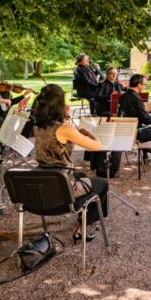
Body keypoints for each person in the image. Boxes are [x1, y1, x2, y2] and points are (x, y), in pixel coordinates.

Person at [32, 84, 109, 243]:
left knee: (81, 174)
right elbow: (97, 146)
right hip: (61, 188)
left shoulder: (37, 126)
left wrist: (62, 119)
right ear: (59, 105)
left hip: (43, 182)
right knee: (102, 184)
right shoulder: (64, 129)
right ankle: (84, 227)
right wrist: (86, 132)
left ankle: (87, 216)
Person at [118, 74, 151, 170]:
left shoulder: (123, 96)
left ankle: (145, 156)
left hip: (126, 130)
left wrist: (147, 114)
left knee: (149, 129)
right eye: (144, 84)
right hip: (136, 133)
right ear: (139, 85)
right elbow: (146, 120)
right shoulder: (136, 98)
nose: (145, 87)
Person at [90, 67, 125, 178]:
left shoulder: (118, 85)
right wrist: (110, 97)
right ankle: (99, 163)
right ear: (107, 74)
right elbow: (96, 97)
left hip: (115, 112)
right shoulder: (102, 84)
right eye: (111, 73)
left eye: (115, 74)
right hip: (104, 112)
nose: (113, 76)